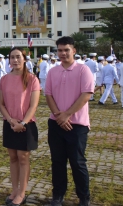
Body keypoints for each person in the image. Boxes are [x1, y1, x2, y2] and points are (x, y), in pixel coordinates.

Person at [45, 36, 94, 206]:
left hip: (78, 124)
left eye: (66, 50)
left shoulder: (83, 70)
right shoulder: (52, 71)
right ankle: (58, 195)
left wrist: (67, 115)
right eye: (60, 50)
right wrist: (59, 116)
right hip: (56, 123)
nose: (63, 53)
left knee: (77, 162)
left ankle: (84, 197)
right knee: (57, 161)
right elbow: (48, 95)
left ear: (74, 50)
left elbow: (86, 94)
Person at [0, 47, 40, 206]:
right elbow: (0, 103)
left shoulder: (32, 79)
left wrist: (22, 123)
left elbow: (33, 106)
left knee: (23, 158)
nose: (15, 60)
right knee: (13, 157)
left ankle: (22, 193)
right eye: (12, 57)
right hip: (9, 123)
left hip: (26, 124)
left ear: (24, 58)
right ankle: (14, 189)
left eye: (18, 57)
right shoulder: (4, 79)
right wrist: (10, 121)